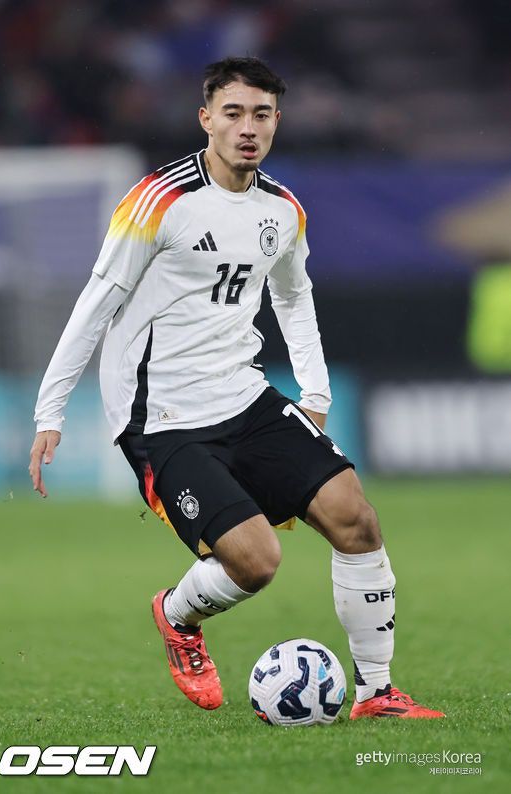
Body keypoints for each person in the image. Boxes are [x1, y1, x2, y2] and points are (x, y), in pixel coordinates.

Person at [30, 57, 444, 719]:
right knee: (256, 562)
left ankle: (376, 692)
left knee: (356, 518)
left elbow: (295, 297)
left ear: (277, 121)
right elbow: (96, 302)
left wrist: (315, 394)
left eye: (261, 114)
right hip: (162, 416)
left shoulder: (282, 209)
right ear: (206, 119)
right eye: (233, 113)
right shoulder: (159, 201)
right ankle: (177, 614)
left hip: (245, 395)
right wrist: (49, 410)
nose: (247, 127)